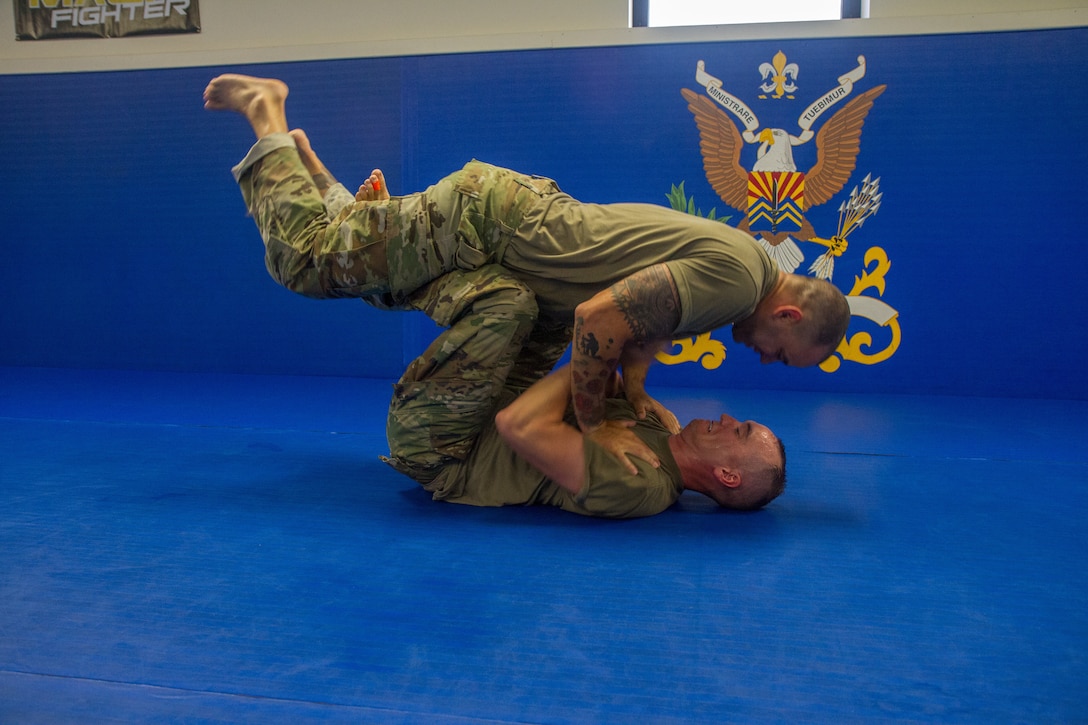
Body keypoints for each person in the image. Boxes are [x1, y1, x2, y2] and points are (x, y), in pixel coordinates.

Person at [203, 74, 848, 471]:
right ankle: (267, 114)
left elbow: (645, 323)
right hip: (490, 224)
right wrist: (596, 426)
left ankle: (311, 168)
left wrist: (640, 390)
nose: (766, 361)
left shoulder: (746, 272)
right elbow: (601, 318)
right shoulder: (741, 282)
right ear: (788, 316)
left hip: (519, 266)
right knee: (307, 262)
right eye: (782, 356)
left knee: (388, 285)